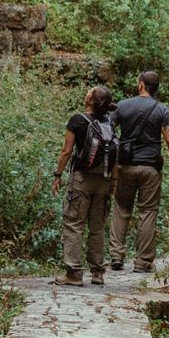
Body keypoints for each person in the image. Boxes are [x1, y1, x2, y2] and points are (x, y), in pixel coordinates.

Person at [109, 70, 169, 273]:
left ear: (141, 84)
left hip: (125, 166)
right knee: (148, 212)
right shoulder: (161, 110)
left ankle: (116, 256)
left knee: (121, 209)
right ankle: (142, 262)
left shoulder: (123, 105)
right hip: (150, 167)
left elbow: (107, 130)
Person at [52, 85, 118, 285]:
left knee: (74, 224)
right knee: (97, 227)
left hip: (81, 179)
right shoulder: (108, 121)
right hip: (104, 180)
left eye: (89, 91)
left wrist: (58, 175)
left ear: (91, 100)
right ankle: (97, 272)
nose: (86, 92)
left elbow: (66, 150)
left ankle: (73, 274)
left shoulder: (77, 120)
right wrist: (113, 181)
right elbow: (115, 153)